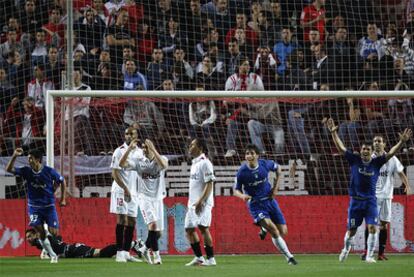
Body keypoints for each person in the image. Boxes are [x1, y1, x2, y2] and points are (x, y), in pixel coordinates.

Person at [325, 118, 412, 263]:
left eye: (368, 149)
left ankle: (370, 255)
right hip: (356, 202)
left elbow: (391, 153)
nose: (366, 151)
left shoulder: (376, 163)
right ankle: (345, 249)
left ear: (371, 152)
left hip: (371, 201)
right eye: (364, 149)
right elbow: (341, 148)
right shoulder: (354, 160)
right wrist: (334, 133)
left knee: (373, 227)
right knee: (351, 231)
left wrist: (402, 142)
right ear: (361, 151)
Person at [233, 144, 298, 265]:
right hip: (256, 205)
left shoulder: (265, 164)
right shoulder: (242, 172)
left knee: (283, 231)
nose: (249, 156)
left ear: (257, 155)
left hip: (270, 201)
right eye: (247, 153)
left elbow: (279, 169)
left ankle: (263, 228)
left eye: (252, 153)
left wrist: (276, 188)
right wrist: (242, 196)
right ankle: (290, 257)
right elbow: (236, 190)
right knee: (273, 230)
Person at [5, 148, 67, 263]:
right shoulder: (26, 171)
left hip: (49, 207)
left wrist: (63, 199)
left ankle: (47, 241)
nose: (29, 160)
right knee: (40, 233)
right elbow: (8, 169)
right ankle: (52, 255)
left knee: (54, 233)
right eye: (28, 158)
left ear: (37, 159)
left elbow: (62, 180)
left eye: (30, 158)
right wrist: (14, 156)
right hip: (34, 207)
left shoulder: (49, 171)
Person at [361, 135, 411, 261]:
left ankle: (381, 253)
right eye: (375, 141)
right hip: (373, 197)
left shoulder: (392, 159)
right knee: (371, 224)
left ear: (384, 144)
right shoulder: (370, 159)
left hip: (387, 196)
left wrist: (407, 185)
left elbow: (400, 172)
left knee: (383, 225)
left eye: (379, 141)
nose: (376, 143)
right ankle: (366, 251)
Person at [119, 139, 168, 265]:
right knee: (153, 226)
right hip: (144, 198)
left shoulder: (161, 159)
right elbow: (122, 164)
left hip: (157, 199)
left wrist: (153, 149)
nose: (144, 149)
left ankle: (144, 248)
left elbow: (164, 165)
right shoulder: (139, 162)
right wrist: (129, 149)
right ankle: (157, 256)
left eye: (147, 147)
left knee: (158, 233)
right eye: (144, 147)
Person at [110, 127, 143, 263]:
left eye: (131, 134)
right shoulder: (119, 151)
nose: (128, 136)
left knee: (132, 221)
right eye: (126, 134)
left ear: (136, 136)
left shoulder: (140, 152)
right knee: (122, 220)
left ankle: (126, 252)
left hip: (134, 191)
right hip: (120, 190)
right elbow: (115, 173)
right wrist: (125, 189)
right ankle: (119, 253)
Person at [184, 138, 216, 266]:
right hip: (192, 203)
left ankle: (211, 258)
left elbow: (209, 184)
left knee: (203, 228)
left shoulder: (205, 163)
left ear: (200, 148)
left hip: (203, 203)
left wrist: (200, 201)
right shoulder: (194, 163)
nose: (189, 147)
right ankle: (199, 257)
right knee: (189, 229)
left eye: (192, 145)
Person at [26, 228, 144, 259]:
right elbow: (58, 238)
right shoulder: (41, 242)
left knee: (100, 253)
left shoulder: (41, 240)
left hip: (72, 250)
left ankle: (134, 243)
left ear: (36, 235)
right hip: (71, 249)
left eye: (30, 236)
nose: (28, 239)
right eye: (27, 238)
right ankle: (133, 244)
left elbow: (46, 249)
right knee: (102, 253)